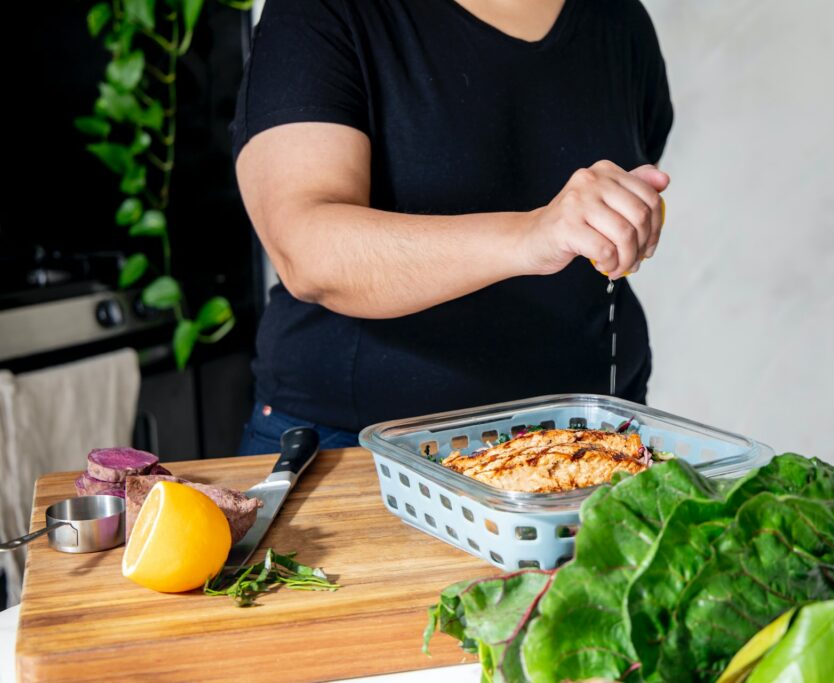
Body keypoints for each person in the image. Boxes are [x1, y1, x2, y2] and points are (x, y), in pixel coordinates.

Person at [230, 0, 673, 455]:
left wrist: (624, 217)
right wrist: (531, 235)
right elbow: (307, 252)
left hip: (591, 439)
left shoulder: (619, 19)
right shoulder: (323, 12)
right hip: (354, 448)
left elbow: (620, 193)